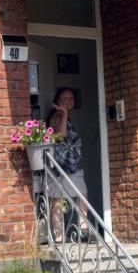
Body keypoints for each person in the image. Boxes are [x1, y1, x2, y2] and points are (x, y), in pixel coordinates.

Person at [47, 88, 88, 241]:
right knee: (57, 198)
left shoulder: (66, 117)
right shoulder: (57, 116)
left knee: (82, 193)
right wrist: (63, 113)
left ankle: (83, 228)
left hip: (72, 164)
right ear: (58, 100)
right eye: (66, 98)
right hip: (60, 163)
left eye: (71, 98)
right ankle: (59, 236)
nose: (69, 101)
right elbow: (61, 136)